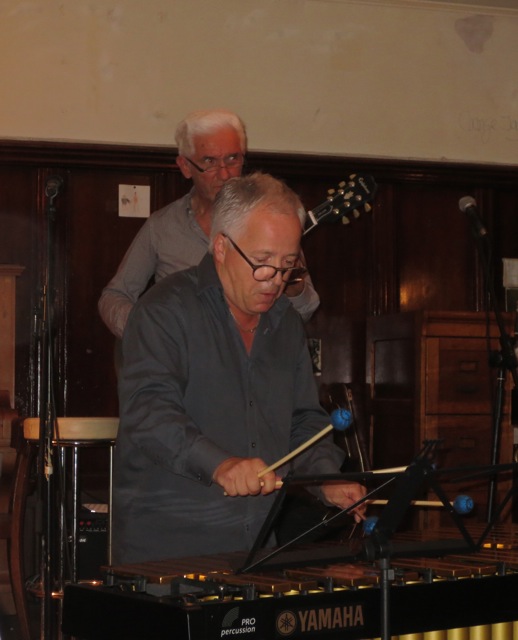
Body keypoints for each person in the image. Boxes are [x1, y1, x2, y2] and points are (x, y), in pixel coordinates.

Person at [112, 172, 365, 565]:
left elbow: (302, 420)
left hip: (257, 545)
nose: (275, 281)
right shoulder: (164, 311)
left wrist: (324, 477)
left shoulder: (285, 323)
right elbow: (149, 413)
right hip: (169, 549)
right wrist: (220, 464)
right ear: (221, 246)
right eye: (262, 263)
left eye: (287, 265)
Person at [98, 109, 320, 339]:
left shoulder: (270, 222)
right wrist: (151, 334)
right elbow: (114, 296)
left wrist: (294, 286)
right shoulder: (162, 226)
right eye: (209, 161)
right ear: (185, 166)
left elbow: (305, 311)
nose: (225, 174)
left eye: (232, 159)